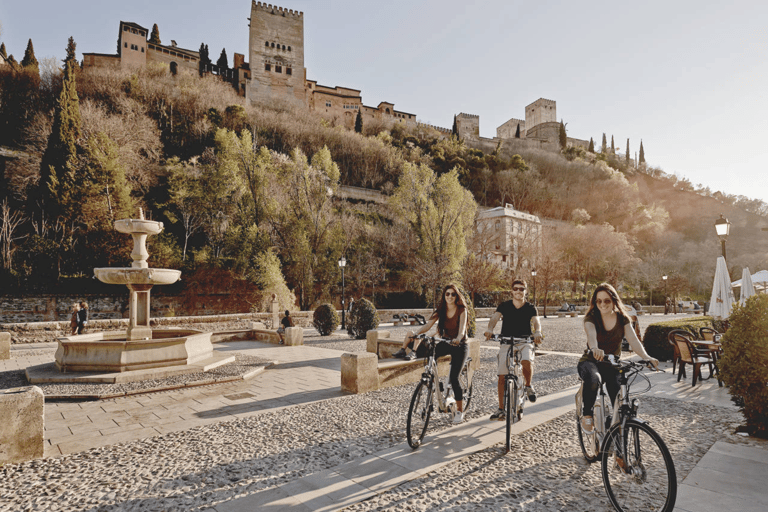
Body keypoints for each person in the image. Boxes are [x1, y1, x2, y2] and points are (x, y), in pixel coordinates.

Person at [578, 283, 658, 433]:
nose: (602, 304)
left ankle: (621, 449)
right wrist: (595, 348)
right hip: (590, 362)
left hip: (611, 364)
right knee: (594, 379)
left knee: (621, 406)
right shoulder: (591, 318)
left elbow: (634, 341)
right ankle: (587, 413)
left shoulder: (622, 319)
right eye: (599, 301)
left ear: (614, 300)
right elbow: (591, 335)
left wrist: (647, 357)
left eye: (607, 300)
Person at [398, 284, 469, 424]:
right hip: (445, 341)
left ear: (457, 296)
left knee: (454, 378)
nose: (450, 296)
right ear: (444, 295)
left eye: (453, 294)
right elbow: (428, 325)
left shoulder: (462, 310)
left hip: (459, 345)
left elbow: (461, 331)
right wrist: (417, 334)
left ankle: (460, 412)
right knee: (431, 352)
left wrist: (458, 339)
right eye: (447, 294)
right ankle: (432, 382)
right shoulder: (441, 310)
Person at [484, 279, 542, 421]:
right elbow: (494, 318)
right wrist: (490, 329)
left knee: (526, 360)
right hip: (507, 341)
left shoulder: (530, 307)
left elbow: (536, 322)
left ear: (525, 291)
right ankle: (501, 408)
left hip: (524, 341)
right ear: (511, 291)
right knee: (502, 376)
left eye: (521, 289)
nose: (518, 291)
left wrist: (538, 332)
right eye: (516, 289)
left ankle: (528, 386)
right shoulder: (504, 306)